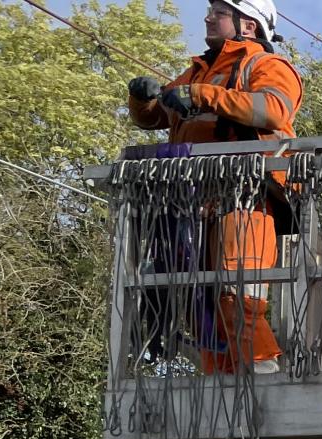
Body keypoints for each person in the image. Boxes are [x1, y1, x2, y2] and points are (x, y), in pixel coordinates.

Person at [126, 0, 302, 376]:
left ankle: (264, 376)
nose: (208, 17)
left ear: (249, 25)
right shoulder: (199, 70)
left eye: (219, 12)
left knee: (235, 295)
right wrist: (141, 99)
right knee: (198, 302)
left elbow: (273, 110)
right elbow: (156, 116)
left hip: (247, 198)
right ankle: (219, 393)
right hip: (193, 201)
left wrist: (201, 95)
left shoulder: (266, 65)